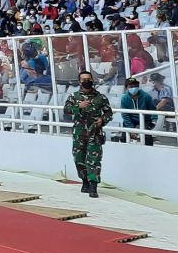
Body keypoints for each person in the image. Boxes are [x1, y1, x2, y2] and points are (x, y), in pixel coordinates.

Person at [63, 70, 113, 198]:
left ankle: (93, 185)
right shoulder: (74, 97)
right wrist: (78, 106)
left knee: (94, 160)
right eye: (84, 80)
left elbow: (109, 113)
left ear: (92, 80)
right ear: (79, 82)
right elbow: (66, 110)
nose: (87, 82)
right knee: (79, 158)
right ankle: (84, 181)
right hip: (79, 133)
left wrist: (102, 120)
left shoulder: (100, 98)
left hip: (94, 133)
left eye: (89, 79)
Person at [119, 77, 156, 146]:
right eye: (131, 86)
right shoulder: (124, 98)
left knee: (147, 138)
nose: (134, 87)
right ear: (126, 87)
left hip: (145, 120)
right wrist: (131, 129)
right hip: (131, 120)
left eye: (136, 85)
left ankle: (149, 152)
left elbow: (153, 109)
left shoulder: (146, 96)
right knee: (124, 138)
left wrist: (154, 121)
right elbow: (125, 114)